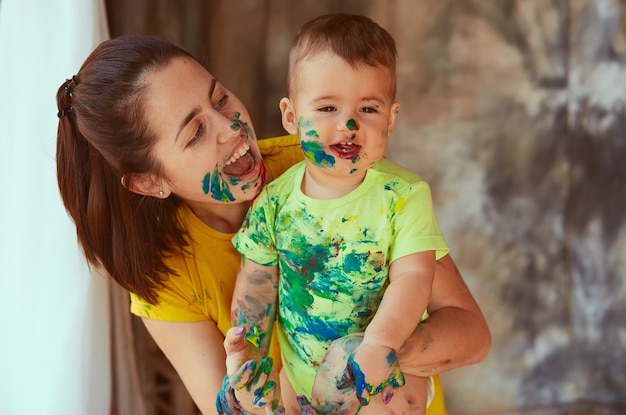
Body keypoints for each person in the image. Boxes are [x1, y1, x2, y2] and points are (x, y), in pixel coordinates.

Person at [55, 34, 490, 415]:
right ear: (150, 182)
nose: (230, 128)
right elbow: (229, 398)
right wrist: (246, 395)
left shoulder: (323, 162)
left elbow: (472, 337)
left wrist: (371, 354)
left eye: (220, 98)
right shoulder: (165, 279)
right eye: (195, 133)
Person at [228, 13, 450, 415]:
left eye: (368, 109)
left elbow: (414, 278)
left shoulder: (403, 196)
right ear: (291, 116)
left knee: (362, 368)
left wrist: (378, 344)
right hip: (300, 386)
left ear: (391, 119)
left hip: (382, 384)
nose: (348, 125)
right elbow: (257, 286)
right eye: (328, 107)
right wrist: (248, 354)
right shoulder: (274, 203)